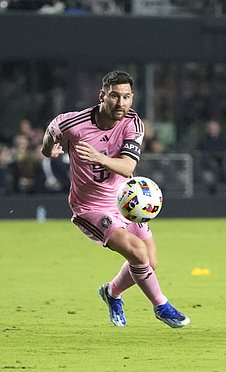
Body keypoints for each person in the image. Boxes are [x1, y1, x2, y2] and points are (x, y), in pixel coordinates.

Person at [41, 70, 190, 329]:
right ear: (102, 96)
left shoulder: (133, 123)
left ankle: (111, 292)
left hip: (124, 201)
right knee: (138, 252)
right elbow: (52, 129)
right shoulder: (75, 123)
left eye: (127, 97)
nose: (121, 103)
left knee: (150, 263)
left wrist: (98, 158)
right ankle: (161, 306)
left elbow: (127, 165)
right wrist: (48, 149)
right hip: (90, 208)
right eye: (114, 96)